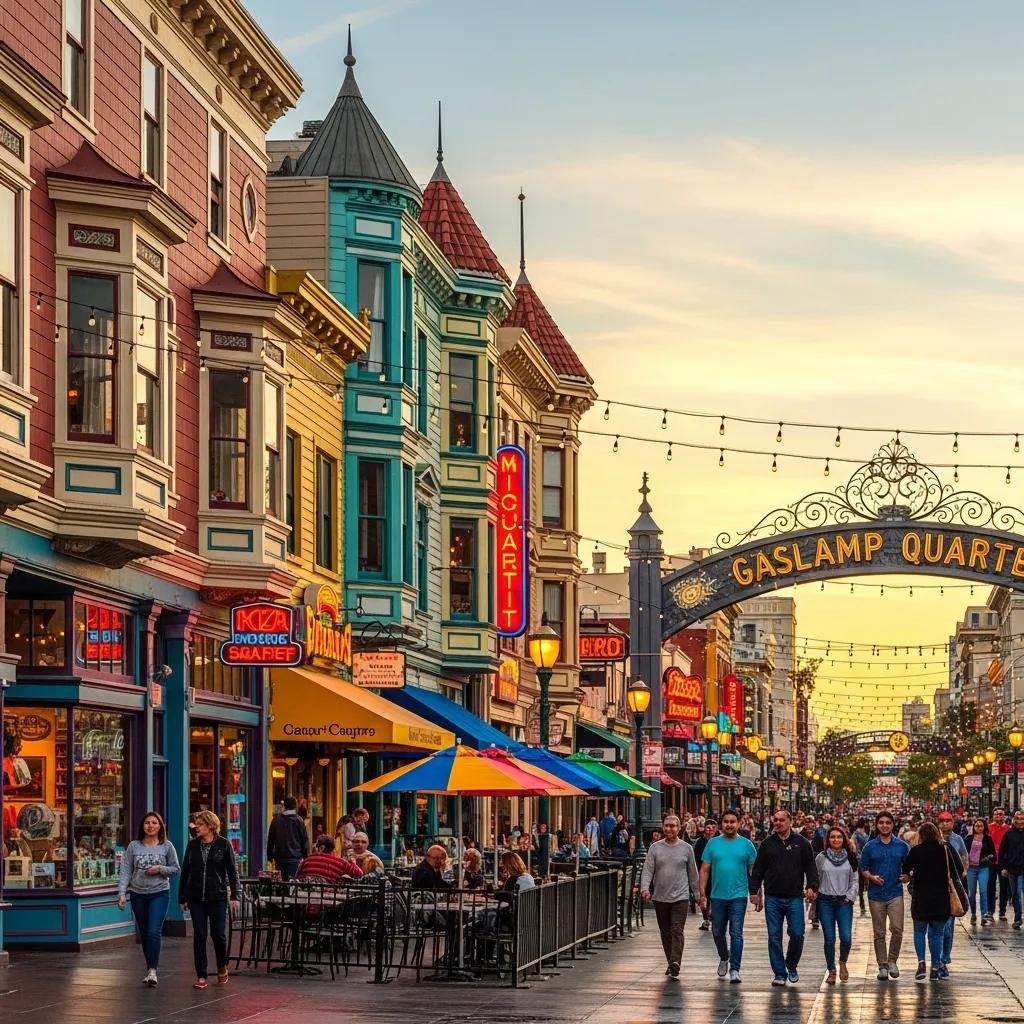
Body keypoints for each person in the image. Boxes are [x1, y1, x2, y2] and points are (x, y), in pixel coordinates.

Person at [749, 809, 819, 987]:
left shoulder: (801, 843)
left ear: (790, 821)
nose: (777, 823)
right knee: (774, 936)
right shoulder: (767, 844)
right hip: (773, 897)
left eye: (781, 820)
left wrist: (812, 886)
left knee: (797, 934)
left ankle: (791, 965)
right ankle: (779, 973)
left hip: (795, 897)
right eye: (775, 820)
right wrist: (754, 891)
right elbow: (758, 869)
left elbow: (810, 867)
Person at [117, 811, 180, 987]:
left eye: (154, 823)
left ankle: (153, 971)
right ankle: (149, 968)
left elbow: (175, 868)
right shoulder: (133, 847)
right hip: (138, 894)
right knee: (145, 933)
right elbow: (125, 870)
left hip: (159, 893)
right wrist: (122, 893)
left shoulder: (167, 846)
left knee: (153, 931)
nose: (150, 826)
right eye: (147, 823)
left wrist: (160, 868)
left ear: (160, 826)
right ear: (142, 826)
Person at [178, 810, 240, 990]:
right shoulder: (192, 846)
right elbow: (185, 872)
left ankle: (222, 966)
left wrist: (235, 895)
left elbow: (232, 872)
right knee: (199, 935)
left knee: (218, 935)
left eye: (201, 824)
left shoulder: (224, 845)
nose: (196, 827)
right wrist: (182, 897)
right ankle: (202, 975)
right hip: (196, 896)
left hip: (218, 896)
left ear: (211, 826)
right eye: (196, 824)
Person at [699, 808, 757, 983]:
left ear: (738, 824)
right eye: (726, 822)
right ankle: (724, 957)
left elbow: (754, 870)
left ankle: (735, 968)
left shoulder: (747, 845)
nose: (729, 825)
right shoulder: (712, 844)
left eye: (733, 822)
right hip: (717, 896)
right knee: (717, 932)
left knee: (736, 933)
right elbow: (705, 869)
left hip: (738, 895)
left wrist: (756, 893)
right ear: (721, 824)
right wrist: (702, 894)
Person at [902, 821, 964, 982]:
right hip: (941, 899)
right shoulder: (946, 849)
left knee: (919, 932)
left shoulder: (916, 851)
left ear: (921, 835)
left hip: (921, 898)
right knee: (937, 934)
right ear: (937, 833)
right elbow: (960, 869)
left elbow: (905, 868)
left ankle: (921, 963)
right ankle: (935, 966)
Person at [640, 814, 700, 979]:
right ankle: (671, 962)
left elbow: (692, 873)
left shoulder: (686, 848)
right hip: (660, 897)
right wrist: (645, 888)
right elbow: (648, 870)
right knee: (665, 932)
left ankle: (675, 962)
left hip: (680, 897)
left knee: (676, 930)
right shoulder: (655, 848)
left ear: (679, 828)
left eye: (672, 826)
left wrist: (698, 894)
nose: (669, 829)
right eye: (666, 825)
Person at [860, 810, 910, 981]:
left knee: (897, 928)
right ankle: (882, 965)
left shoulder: (902, 846)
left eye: (888, 822)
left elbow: (909, 867)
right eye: (881, 822)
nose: (884, 825)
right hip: (876, 894)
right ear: (877, 825)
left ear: (892, 824)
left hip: (895, 892)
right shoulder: (870, 846)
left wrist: (907, 876)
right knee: (879, 932)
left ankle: (892, 960)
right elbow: (863, 868)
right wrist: (871, 877)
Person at [815, 826, 858, 986]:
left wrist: (850, 897)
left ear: (844, 839)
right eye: (832, 837)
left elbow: (855, 879)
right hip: (825, 901)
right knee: (829, 939)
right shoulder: (821, 858)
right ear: (828, 839)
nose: (836, 840)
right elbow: (815, 876)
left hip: (844, 902)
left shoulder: (851, 858)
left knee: (846, 937)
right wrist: (813, 892)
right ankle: (831, 970)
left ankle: (842, 961)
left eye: (839, 837)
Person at [961, 817, 995, 925]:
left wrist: (986, 859)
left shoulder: (988, 839)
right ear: (973, 827)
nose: (978, 827)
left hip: (983, 868)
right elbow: (963, 853)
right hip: (971, 869)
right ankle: (974, 914)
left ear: (984, 827)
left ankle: (984, 915)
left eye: (981, 825)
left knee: (983, 891)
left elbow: (993, 854)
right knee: (971, 894)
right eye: (976, 825)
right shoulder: (968, 838)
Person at [266, 795, 309, 880]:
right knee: (292, 884)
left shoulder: (276, 820)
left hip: (280, 858)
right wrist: (305, 857)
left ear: (284, 806)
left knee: (281, 884)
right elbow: (304, 839)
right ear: (295, 806)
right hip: (295, 858)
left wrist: (270, 857)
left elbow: (270, 840)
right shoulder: (299, 820)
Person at [296, 835, 363, 885]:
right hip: (328, 898)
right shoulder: (341, 862)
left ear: (321, 848)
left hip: (306, 897)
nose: (315, 849)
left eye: (316, 846)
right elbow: (359, 873)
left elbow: (297, 877)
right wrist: (352, 863)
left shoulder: (307, 860)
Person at [998, 809, 1024, 929]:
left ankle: (1018, 918)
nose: (1020, 821)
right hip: (1012, 868)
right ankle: (1018, 917)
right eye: (1018, 818)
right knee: (1015, 895)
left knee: (1018, 893)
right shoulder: (1008, 834)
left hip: (1022, 869)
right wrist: (1003, 867)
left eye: (1022, 819)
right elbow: (1002, 851)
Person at [693, 819, 719, 930]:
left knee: (715, 897)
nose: (710, 830)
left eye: (713, 827)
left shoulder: (720, 841)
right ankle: (706, 919)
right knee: (703, 897)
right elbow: (696, 859)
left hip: (717, 874)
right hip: (703, 874)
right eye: (708, 827)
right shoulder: (700, 842)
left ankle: (714, 917)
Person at [988, 807, 1010, 919]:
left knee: (1004, 887)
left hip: (1003, 863)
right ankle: (990, 911)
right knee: (990, 886)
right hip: (991, 862)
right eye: (996, 814)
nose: (998, 816)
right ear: (993, 816)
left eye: (1001, 814)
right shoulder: (989, 828)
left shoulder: (1008, 829)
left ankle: (1002, 911)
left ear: (1004, 816)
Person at [852, 818, 871, 914]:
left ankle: (862, 904)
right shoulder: (865, 835)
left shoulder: (854, 834)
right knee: (869, 881)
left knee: (860, 884)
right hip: (866, 860)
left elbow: (853, 848)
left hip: (858, 860)